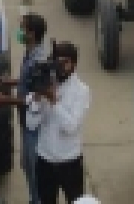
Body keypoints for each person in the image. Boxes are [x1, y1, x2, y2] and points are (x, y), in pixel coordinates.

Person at [26, 41, 90, 204]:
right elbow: (31, 124)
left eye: (65, 63)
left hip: (70, 162)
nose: (60, 67)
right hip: (44, 160)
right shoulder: (45, 83)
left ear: (74, 64)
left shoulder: (82, 91)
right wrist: (37, 100)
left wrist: (53, 101)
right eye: (57, 62)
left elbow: (71, 127)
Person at [15, 13, 51, 204]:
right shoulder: (30, 53)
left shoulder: (39, 60)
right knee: (26, 165)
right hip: (26, 122)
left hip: (34, 124)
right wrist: (11, 82)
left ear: (32, 33)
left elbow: (35, 98)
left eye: (22, 28)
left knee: (34, 167)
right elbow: (26, 81)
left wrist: (3, 100)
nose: (19, 31)